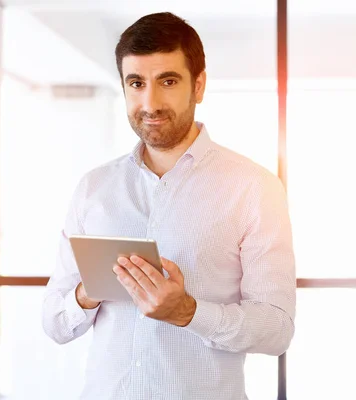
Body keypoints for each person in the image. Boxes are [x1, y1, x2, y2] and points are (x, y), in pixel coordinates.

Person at [41, 12, 296, 400]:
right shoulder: (94, 188)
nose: (150, 102)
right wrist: (88, 293)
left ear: (199, 85)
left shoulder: (254, 188)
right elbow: (55, 323)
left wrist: (188, 312)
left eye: (168, 81)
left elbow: (277, 330)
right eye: (136, 83)